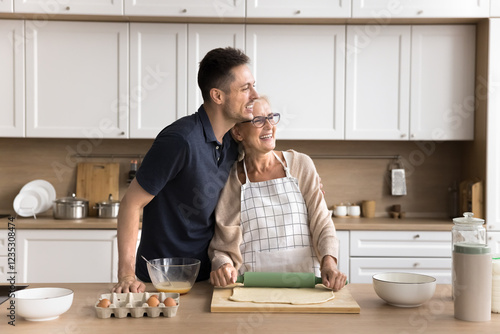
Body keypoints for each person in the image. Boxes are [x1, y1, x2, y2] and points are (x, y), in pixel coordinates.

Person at [112, 47, 259, 293]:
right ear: (218, 96)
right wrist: (126, 274)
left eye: (253, 86)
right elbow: (130, 204)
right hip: (159, 280)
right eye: (245, 88)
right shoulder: (180, 140)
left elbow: (266, 155)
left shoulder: (233, 141)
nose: (254, 94)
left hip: (207, 277)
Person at [209, 97, 347, 291]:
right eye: (258, 120)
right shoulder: (231, 179)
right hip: (251, 290)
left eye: (271, 117)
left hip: (306, 285)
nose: (268, 126)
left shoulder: (301, 164)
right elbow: (223, 246)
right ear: (238, 132)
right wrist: (224, 266)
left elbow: (322, 224)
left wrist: (329, 262)